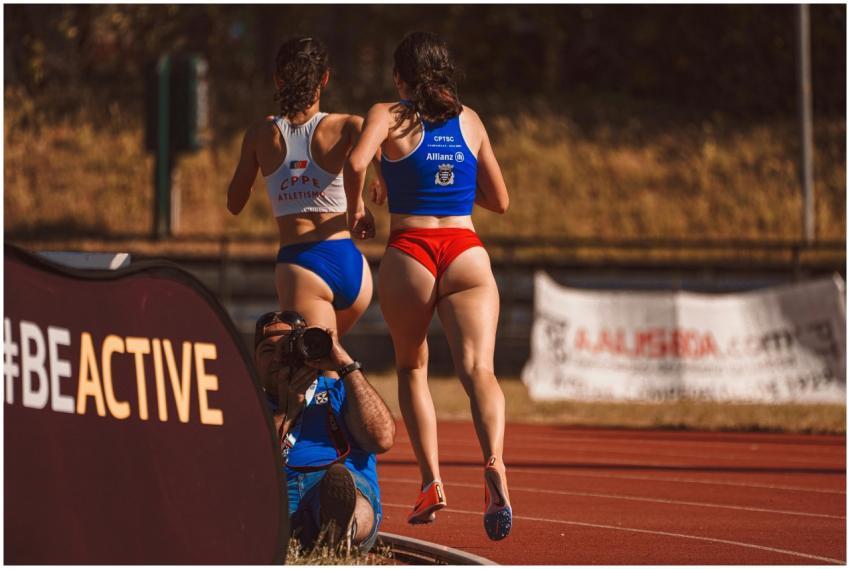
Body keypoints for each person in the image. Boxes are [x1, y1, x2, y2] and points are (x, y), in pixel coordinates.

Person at [344, 31, 512, 541]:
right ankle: (496, 463)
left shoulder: (389, 115)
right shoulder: (471, 119)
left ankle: (431, 481)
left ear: (401, 78)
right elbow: (500, 200)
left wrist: (359, 209)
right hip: (465, 252)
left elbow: (355, 160)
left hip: (410, 253)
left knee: (412, 367)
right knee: (479, 370)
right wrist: (453, 184)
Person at [227, 36, 378, 335]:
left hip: (302, 268)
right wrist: (360, 204)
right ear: (325, 78)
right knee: (328, 365)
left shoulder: (260, 134)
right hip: (352, 266)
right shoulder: (349, 125)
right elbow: (379, 159)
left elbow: (234, 203)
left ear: (277, 80)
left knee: (317, 370)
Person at [254, 310, 395, 553]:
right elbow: (250, 467)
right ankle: (313, 535)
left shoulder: (340, 389)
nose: (278, 357)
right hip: (278, 494)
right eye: (268, 350)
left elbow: (382, 438)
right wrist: (287, 411)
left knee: (345, 491)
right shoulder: (249, 405)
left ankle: (342, 532)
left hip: (336, 484)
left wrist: (346, 366)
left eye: (287, 347)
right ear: (253, 361)